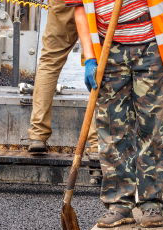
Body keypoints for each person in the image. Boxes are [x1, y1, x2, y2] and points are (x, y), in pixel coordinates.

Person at [67, 0, 163, 228]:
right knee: (112, 130)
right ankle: (119, 205)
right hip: (108, 51)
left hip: (152, 46)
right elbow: (78, 7)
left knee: (153, 128)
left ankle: (152, 203)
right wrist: (90, 57)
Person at [27, 0, 98, 155]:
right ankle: (97, 142)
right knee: (100, 59)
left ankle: (38, 134)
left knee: (50, 59)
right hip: (94, 3)